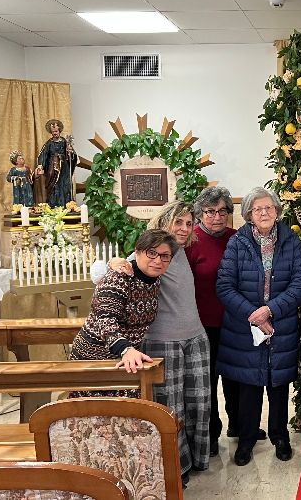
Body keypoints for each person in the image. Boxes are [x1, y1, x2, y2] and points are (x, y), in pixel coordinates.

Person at [107, 201, 211, 483]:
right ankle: (176, 466)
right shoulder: (154, 251)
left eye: (189, 223)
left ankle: (199, 457)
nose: (184, 228)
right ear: (164, 221)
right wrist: (112, 263)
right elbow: (113, 272)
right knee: (171, 407)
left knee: (199, 403)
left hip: (196, 337)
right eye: (179, 222)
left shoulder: (182, 251)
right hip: (164, 340)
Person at [216, 187, 301, 467]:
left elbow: (299, 283)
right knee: (249, 385)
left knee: (278, 384)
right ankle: (246, 440)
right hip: (244, 327)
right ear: (248, 215)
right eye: (258, 209)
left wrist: (270, 310)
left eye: (269, 208)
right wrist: (254, 315)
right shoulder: (237, 243)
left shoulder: (291, 241)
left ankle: (280, 436)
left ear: (278, 211)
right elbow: (224, 285)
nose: (265, 213)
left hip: (281, 323)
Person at [185, 186, 262, 457]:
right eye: (209, 212)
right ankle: (211, 431)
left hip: (235, 322)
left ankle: (239, 425)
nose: (216, 217)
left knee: (235, 378)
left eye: (222, 211)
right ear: (200, 214)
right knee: (207, 381)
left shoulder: (238, 237)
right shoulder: (189, 242)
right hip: (202, 324)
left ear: (230, 213)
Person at [68, 229, 178, 397]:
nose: (158, 260)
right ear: (137, 252)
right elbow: (104, 319)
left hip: (124, 359)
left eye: (165, 256)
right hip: (95, 358)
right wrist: (125, 349)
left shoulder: (154, 280)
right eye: (151, 253)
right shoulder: (119, 277)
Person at [35, 119, 78, 207]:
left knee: (65, 185)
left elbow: (72, 156)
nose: (55, 133)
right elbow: (43, 155)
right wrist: (41, 166)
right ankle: (54, 205)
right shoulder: (49, 144)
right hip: (53, 169)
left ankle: (67, 204)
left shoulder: (65, 142)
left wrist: (71, 153)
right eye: (53, 132)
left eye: (56, 131)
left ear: (59, 131)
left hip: (64, 168)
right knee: (54, 186)